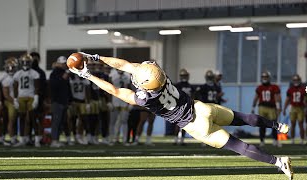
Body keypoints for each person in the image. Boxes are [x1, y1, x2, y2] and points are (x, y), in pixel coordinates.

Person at [68, 52, 293, 179]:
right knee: (242, 117)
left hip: (196, 125)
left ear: (146, 84)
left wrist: (88, 74)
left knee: (238, 146)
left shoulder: (146, 98)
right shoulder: (157, 71)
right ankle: (279, 126)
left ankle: (278, 162)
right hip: (202, 108)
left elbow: (115, 90)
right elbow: (126, 65)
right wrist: (96, 57)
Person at [13, 54, 41, 147]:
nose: (25, 64)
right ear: (21, 62)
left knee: (33, 118)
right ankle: (22, 139)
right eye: (24, 62)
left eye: (27, 62)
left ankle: (37, 139)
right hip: (21, 97)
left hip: (31, 97)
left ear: (31, 62)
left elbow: (37, 87)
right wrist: (15, 99)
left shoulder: (34, 73)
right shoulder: (18, 74)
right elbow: (15, 87)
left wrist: (36, 98)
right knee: (22, 118)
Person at [251, 71, 282, 147]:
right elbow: (256, 97)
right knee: (262, 124)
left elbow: (277, 97)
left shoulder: (274, 87)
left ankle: (275, 140)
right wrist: (253, 107)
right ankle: (262, 140)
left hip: (271, 107)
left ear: (269, 78)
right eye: (263, 77)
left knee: (274, 123)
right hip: (262, 107)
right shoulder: (260, 87)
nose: (265, 78)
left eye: (266, 77)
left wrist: (278, 107)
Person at [49, 56, 71, 147]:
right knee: (56, 121)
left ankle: (57, 139)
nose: (64, 65)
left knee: (61, 122)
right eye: (62, 63)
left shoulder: (64, 73)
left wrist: (70, 100)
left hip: (63, 101)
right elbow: (54, 86)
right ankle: (54, 140)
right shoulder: (54, 73)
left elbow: (67, 88)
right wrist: (63, 78)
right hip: (57, 101)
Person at [173, 68, 195, 145]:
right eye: (184, 75)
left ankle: (179, 140)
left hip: (184, 105)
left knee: (184, 124)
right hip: (181, 105)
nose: (184, 77)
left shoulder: (183, 85)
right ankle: (177, 140)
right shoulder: (180, 85)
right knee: (180, 123)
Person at [0, 57, 19, 145]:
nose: (11, 69)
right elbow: (6, 95)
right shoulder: (5, 78)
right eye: (9, 67)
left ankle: (14, 137)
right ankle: (11, 138)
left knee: (14, 120)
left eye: (12, 67)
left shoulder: (18, 75)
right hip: (10, 101)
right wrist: (14, 101)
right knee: (10, 120)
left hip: (17, 100)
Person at [283, 74, 306, 145]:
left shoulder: (304, 89)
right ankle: (292, 139)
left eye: (297, 80)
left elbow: (306, 100)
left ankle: (302, 140)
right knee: (292, 124)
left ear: (300, 80)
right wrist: (284, 108)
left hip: (301, 108)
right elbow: (287, 100)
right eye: (294, 80)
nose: (296, 81)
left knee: (301, 124)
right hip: (293, 107)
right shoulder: (290, 89)